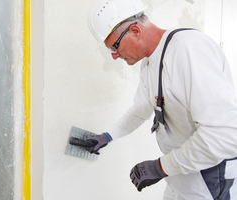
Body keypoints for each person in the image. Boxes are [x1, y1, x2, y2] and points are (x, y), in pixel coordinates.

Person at [85, 0, 237, 199]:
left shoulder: (189, 49)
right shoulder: (150, 61)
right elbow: (140, 110)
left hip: (208, 176)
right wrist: (108, 135)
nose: (114, 56)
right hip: (179, 174)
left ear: (135, 31)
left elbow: (224, 135)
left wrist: (160, 167)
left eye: (115, 46)